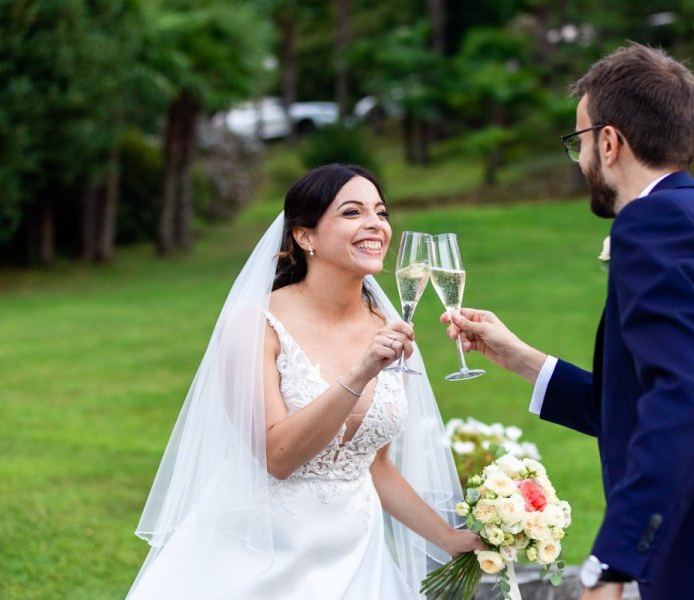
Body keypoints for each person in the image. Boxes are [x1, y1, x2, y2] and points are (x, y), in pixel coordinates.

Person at [443, 43, 694, 600]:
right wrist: (519, 357)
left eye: (579, 142)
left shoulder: (653, 225)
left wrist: (613, 561)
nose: (580, 160)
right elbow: (670, 396)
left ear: (609, 142)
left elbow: (682, 400)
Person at [128, 163, 483, 599]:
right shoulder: (256, 323)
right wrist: (360, 372)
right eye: (352, 213)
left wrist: (448, 538)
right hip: (258, 557)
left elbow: (375, 463)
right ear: (305, 235)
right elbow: (277, 456)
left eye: (381, 212)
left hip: (357, 559)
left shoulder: (387, 324)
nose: (374, 224)